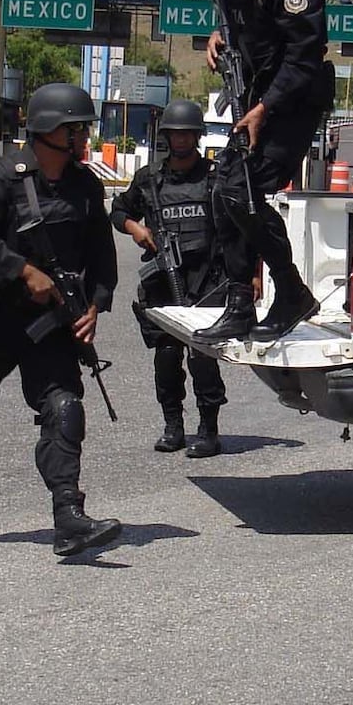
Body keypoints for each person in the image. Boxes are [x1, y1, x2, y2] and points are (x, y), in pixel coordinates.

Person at [0, 82, 124, 559]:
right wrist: (22, 270)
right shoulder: (0, 180)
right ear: (48, 131)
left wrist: (95, 305)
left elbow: (102, 256)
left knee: (64, 409)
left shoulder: (85, 186)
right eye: (76, 129)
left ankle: (68, 517)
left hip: (53, 323)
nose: (85, 139)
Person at [193, 0, 335, 344]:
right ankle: (239, 302)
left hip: (289, 104)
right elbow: (244, 25)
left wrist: (265, 108)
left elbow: (304, 55)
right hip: (256, 101)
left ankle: (292, 292)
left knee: (242, 194)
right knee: (223, 193)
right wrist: (219, 36)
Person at [110, 99, 229, 458]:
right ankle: (173, 426)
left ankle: (208, 429)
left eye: (186, 134)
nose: (180, 140)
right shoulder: (150, 179)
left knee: (202, 358)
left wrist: (248, 276)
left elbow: (236, 229)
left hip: (206, 282)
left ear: (196, 136)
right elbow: (117, 211)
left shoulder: (214, 179)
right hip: (164, 281)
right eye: (174, 134)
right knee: (166, 356)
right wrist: (136, 229)